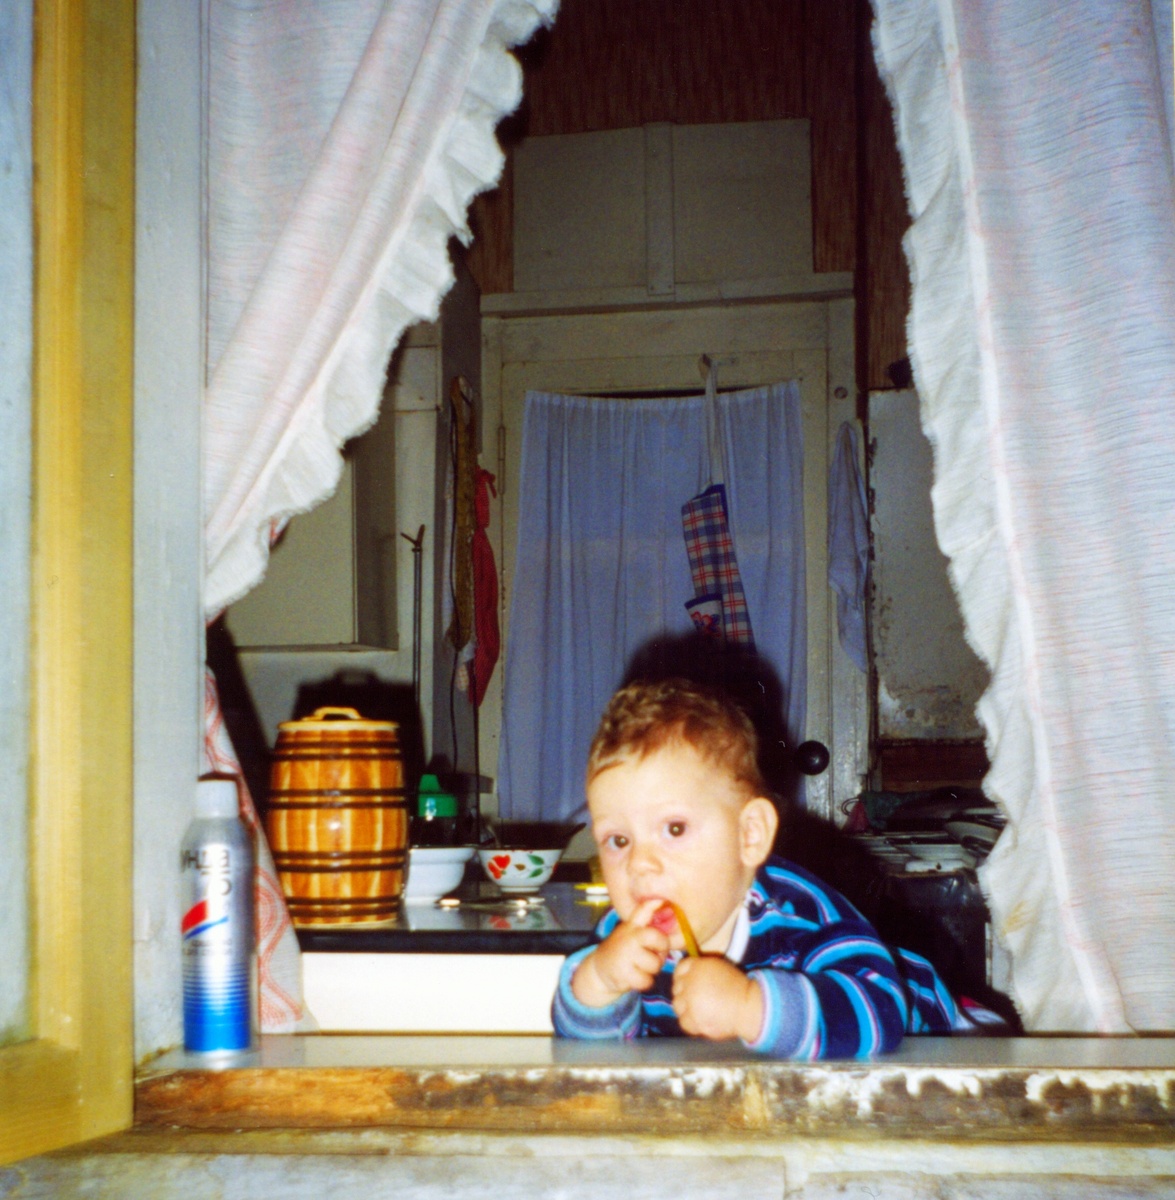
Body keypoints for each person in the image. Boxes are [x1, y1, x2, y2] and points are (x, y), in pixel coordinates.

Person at [552, 678, 991, 1059]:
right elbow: (588, 1055)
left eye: (674, 828)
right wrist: (598, 983)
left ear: (750, 835)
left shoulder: (796, 912)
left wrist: (749, 1007)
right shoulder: (624, 937)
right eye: (618, 840)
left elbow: (881, 1009)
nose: (639, 864)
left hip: (948, 1039)